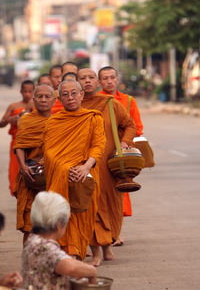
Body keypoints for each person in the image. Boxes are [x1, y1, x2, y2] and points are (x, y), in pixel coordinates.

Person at [78, 68, 136, 266]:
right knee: (91, 208)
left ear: (97, 82)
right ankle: (96, 252)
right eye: (82, 78)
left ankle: (107, 243)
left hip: (110, 167)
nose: (87, 81)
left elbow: (130, 125)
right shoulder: (74, 107)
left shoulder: (111, 104)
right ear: (78, 83)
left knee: (112, 206)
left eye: (91, 78)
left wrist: (126, 142)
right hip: (86, 166)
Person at [43, 79, 106, 260]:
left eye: (74, 93)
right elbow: (49, 152)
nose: (70, 97)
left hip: (87, 175)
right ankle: (66, 256)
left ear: (82, 95)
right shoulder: (53, 122)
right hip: (62, 175)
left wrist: (85, 167)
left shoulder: (93, 117)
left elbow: (98, 145)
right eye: (65, 94)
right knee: (62, 215)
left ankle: (78, 254)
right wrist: (66, 169)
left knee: (85, 215)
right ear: (59, 99)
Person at [98, 66, 144, 237]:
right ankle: (104, 231)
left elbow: (137, 127)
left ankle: (115, 233)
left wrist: (125, 142)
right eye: (105, 78)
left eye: (112, 77)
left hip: (121, 153)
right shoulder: (95, 101)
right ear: (99, 82)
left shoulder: (128, 100)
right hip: (101, 151)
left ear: (118, 80)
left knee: (120, 192)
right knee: (101, 193)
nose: (109, 81)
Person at [14, 85, 56, 245]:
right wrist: (23, 166)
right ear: (34, 99)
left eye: (47, 97)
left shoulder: (58, 121)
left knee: (52, 219)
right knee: (30, 222)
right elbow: (20, 144)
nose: (43, 100)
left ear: (54, 100)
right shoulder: (26, 119)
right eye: (40, 97)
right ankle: (28, 259)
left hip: (51, 174)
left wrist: (49, 159)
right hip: (30, 173)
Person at [0, 80, 34, 196]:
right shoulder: (14, 106)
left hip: (32, 143)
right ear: (21, 92)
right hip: (16, 143)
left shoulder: (37, 105)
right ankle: (18, 194)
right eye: (25, 91)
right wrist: (9, 120)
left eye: (30, 91)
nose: (27, 94)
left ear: (34, 91)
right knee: (15, 170)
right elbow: (1, 124)